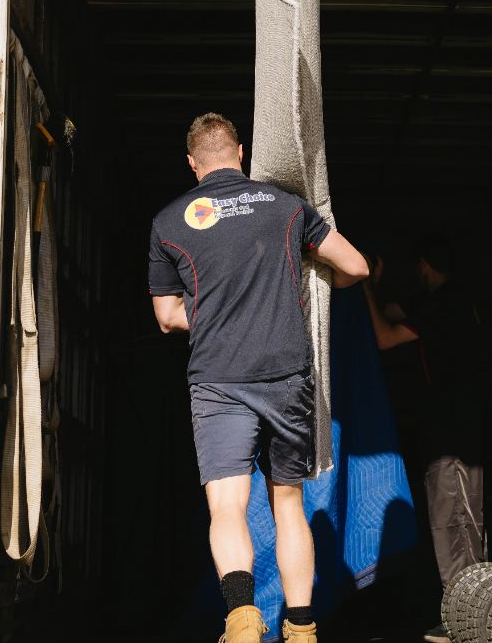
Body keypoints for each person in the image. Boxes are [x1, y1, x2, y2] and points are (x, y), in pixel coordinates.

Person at [149, 113, 369, 643]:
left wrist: (215, 311)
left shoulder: (169, 222)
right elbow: (357, 267)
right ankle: (300, 628)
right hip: (285, 375)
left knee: (226, 505)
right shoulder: (287, 207)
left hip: (218, 379)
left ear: (191, 163)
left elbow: (167, 316)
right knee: (288, 503)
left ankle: (243, 620)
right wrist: (314, 284)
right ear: (240, 152)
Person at [362, 236, 485, 643]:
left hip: (452, 433)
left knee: (455, 522)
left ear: (425, 266)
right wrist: (375, 282)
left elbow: (385, 334)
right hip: (451, 428)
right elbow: (396, 311)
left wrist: (363, 281)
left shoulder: (442, 305)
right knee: (450, 520)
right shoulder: (451, 302)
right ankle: (463, 614)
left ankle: (466, 619)